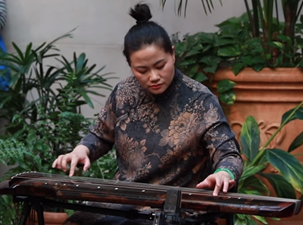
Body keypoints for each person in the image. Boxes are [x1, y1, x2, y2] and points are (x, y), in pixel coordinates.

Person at [52, 3, 243, 225]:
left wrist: (224, 173)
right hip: (124, 201)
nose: (153, 76)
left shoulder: (201, 100)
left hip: (177, 209)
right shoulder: (123, 93)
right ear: (130, 65)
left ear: (172, 54)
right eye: (142, 70)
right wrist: (81, 150)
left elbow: (228, 153)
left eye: (160, 65)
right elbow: (100, 134)